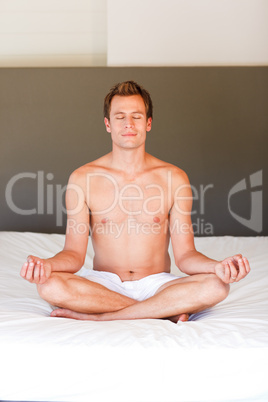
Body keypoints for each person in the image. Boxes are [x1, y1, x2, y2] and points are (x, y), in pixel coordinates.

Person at [20, 80, 250, 323]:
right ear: (108, 124)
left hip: (156, 283)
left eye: (136, 116)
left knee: (217, 286)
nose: (128, 124)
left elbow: (186, 256)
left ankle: (103, 317)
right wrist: (46, 265)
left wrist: (218, 267)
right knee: (49, 285)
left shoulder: (174, 178)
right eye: (120, 117)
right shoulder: (82, 178)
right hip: (104, 283)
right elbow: (73, 254)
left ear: (148, 123)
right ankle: (163, 312)